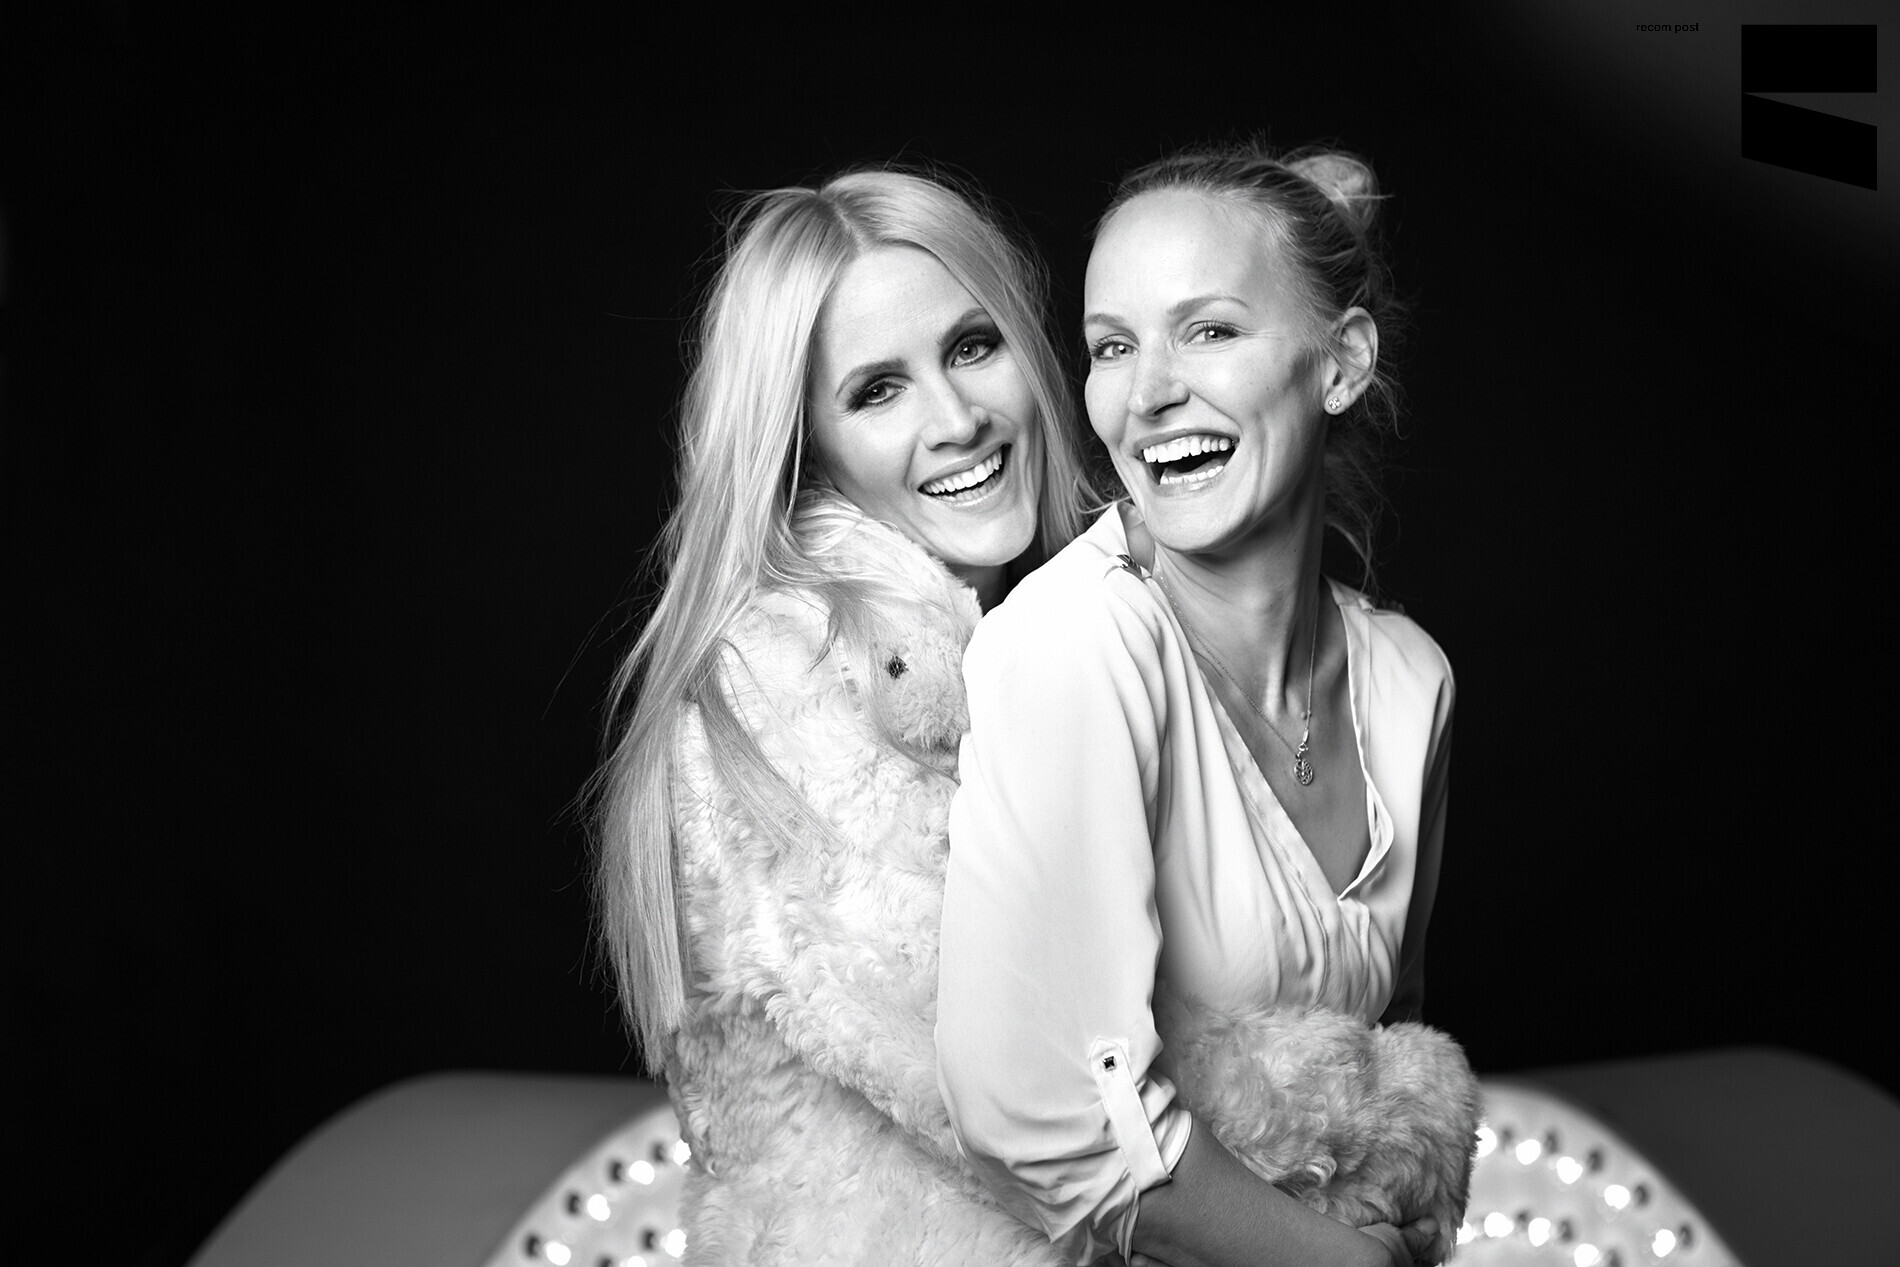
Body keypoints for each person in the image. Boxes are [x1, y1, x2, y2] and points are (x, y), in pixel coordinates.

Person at [937, 143, 1473, 1267]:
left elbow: (1385, 1060)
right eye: (1111, 346)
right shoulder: (1073, 645)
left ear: (1341, 363)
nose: (1147, 394)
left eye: (1209, 330)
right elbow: (1042, 1117)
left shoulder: (1409, 680)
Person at [592, 168, 1097, 1265]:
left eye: (972, 346)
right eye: (877, 391)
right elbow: (1014, 1086)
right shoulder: (792, 668)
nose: (957, 420)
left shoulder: (1035, 641)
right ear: (803, 444)